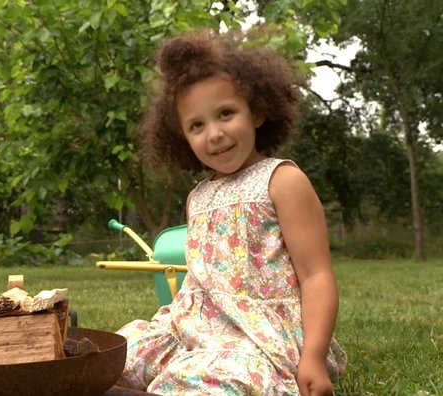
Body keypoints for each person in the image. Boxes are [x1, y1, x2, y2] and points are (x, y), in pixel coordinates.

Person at [116, 29, 347, 395]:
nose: (215, 134)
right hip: (195, 327)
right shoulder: (199, 196)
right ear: (182, 137)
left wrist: (314, 357)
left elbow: (316, 274)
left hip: (259, 336)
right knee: (117, 352)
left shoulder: (282, 180)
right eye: (197, 125)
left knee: (214, 379)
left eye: (226, 114)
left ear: (256, 111)